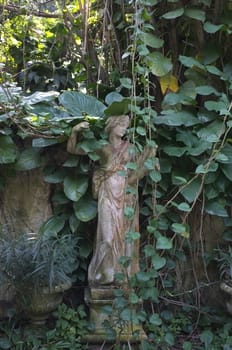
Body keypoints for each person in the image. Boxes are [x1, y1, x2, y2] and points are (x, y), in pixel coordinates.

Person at [67, 115, 156, 287]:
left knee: (125, 236)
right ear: (112, 126)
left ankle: (121, 276)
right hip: (107, 193)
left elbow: (137, 169)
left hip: (126, 195)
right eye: (121, 125)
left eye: (126, 126)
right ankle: (101, 276)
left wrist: (149, 154)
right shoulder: (103, 148)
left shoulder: (130, 148)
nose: (124, 129)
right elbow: (73, 149)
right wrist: (74, 131)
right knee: (107, 237)